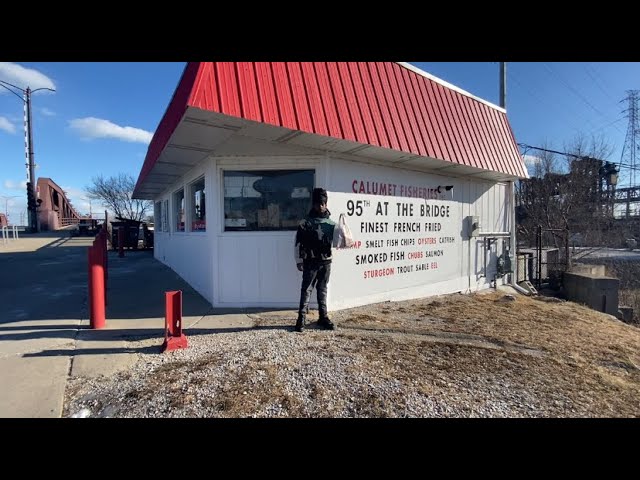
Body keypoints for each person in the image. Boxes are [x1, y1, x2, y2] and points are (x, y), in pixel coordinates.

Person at [293, 187, 342, 332]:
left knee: (323, 290)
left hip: (326, 262)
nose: (320, 206)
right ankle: (301, 319)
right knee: (306, 290)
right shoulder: (305, 223)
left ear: (326, 204)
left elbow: (338, 244)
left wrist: (342, 231)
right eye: (317, 203)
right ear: (313, 204)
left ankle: (323, 317)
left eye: (322, 203)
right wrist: (298, 260)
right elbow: (297, 242)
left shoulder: (332, 224)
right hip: (310, 262)